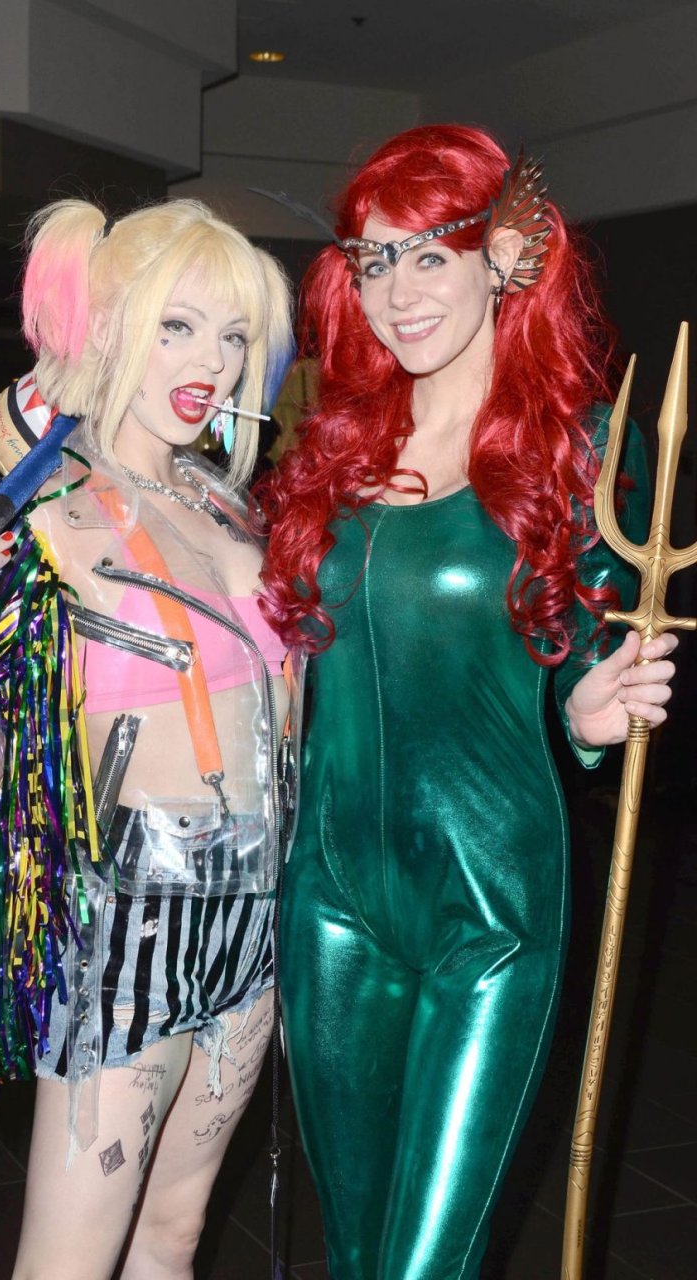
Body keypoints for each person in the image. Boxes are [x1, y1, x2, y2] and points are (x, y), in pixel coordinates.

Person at [258, 125, 678, 1279]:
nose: (395, 292)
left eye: (426, 254)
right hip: (329, 901)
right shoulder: (340, 447)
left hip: (489, 909)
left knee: (420, 1265)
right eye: (371, 260)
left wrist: (586, 717)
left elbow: (581, 653)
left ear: (502, 255)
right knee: (354, 1254)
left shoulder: (580, 446)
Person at [0, 197, 294, 1280]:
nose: (213, 362)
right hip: (131, 924)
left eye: (233, 334)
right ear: (107, 327)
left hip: (259, 920)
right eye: (177, 326)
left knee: (174, 1240)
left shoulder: (233, 508)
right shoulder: (44, 521)